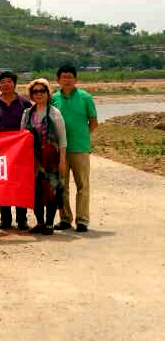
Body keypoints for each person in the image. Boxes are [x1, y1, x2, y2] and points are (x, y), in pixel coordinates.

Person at [51, 65, 98, 232]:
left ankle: (82, 220)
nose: (67, 80)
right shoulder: (54, 98)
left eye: (70, 77)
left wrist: (82, 136)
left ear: (76, 79)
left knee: (82, 186)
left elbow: (93, 122)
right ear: (58, 80)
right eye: (64, 77)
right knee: (61, 186)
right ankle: (65, 219)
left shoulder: (85, 97)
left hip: (79, 149)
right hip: (60, 151)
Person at [21, 79, 67, 235]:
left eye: (42, 91)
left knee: (52, 191)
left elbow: (62, 139)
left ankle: (49, 224)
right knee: (36, 193)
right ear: (31, 95)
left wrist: (62, 160)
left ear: (48, 93)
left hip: (51, 159)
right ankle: (40, 222)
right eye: (35, 92)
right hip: (33, 160)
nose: (39, 94)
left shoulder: (55, 113)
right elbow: (21, 136)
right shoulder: (27, 113)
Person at [0, 71, 31, 230]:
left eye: (9, 81)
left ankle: (22, 219)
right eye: (3, 82)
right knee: (3, 184)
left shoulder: (24, 103)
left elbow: (30, 126)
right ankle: (5, 219)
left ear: (14, 84)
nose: (6, 85)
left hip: (21, 151)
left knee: (20, 184)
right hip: (1, 152)